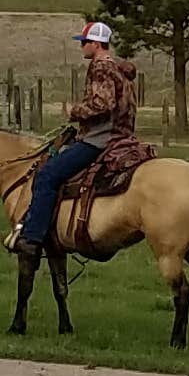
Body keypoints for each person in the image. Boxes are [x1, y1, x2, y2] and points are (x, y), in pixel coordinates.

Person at [16, 21, 146, 257]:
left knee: (47, 175)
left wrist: (74, 112)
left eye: (84, 42)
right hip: (123, 136)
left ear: (96, 44)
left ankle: (32, 238)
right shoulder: (119, 68)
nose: (81, 47)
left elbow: (103, 103)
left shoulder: (101, 67)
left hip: (100, 140)